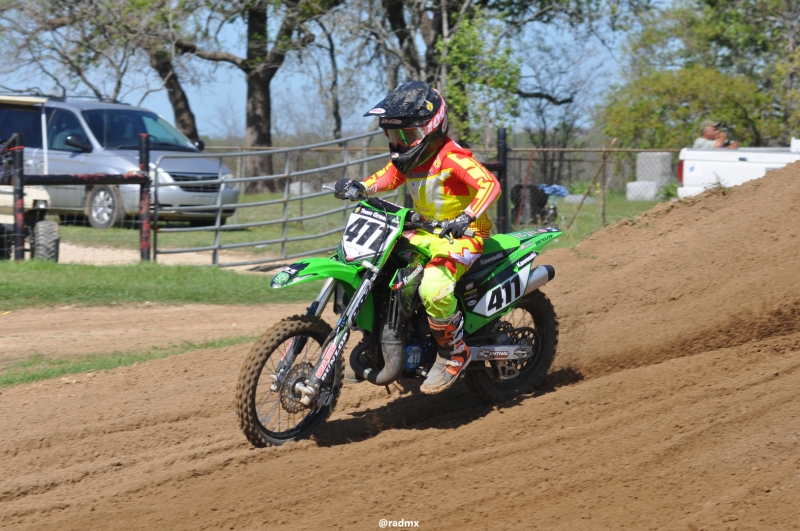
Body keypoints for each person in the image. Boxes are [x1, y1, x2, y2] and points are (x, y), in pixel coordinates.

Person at [333, 80, 501, 394]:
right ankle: (383, 340)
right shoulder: (411, 160)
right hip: (425, 233)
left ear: (432, 129)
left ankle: (453, 352)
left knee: (434, 288)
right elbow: (389, 176)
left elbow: (489, 184)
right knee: (379, 267)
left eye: (407, 136)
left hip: (463, 237)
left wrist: (466, 216)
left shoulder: (451, 158)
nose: (399, 143)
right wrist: (361, 187)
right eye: (393, 135)